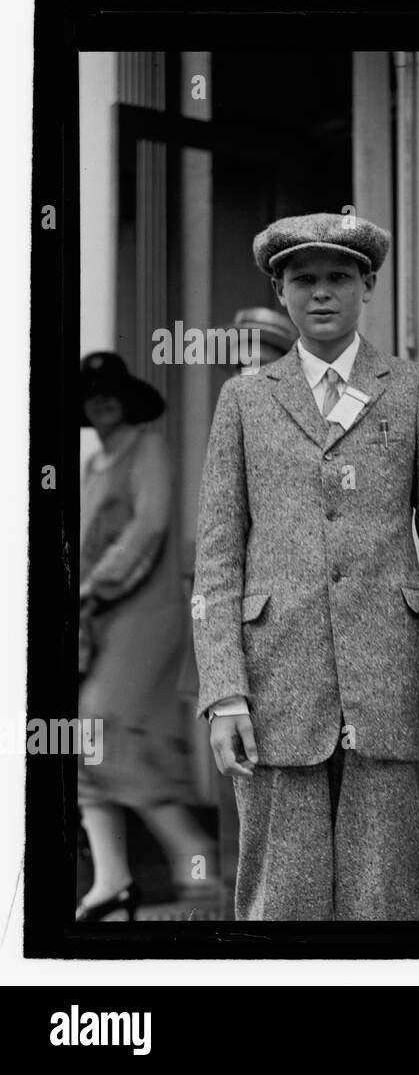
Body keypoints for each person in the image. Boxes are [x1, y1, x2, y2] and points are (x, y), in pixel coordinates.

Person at [192, 213, 419, 920]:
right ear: (280, 291)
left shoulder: (413, 390)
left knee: (389, 900)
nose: (321, 293)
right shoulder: (245, 399)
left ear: (367, 285)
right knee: (282, 898)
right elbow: (217, 555)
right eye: (302, 279)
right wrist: (224, 694)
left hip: (391, 682)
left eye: (338, 277)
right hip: (277, 684)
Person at [78, 352, 217, 921]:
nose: (102, 400)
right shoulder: (91, 466)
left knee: (101, 726)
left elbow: (150, 525)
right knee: (89, 741)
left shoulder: (146, 447)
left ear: (127, 398)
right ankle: (113, 879)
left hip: (147, 613)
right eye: (92, 392)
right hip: (101, 617)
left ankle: (195, 859)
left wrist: (95, 584)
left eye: (112, 390)